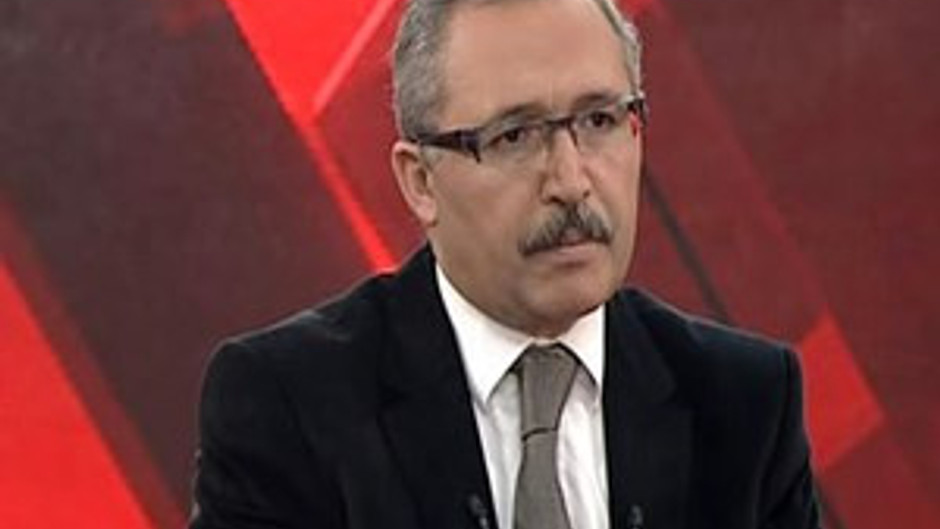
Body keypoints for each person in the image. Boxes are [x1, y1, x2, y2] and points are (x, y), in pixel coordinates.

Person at [189, 0, 821, 527]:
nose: (571, 182)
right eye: (514, 136)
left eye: (600, 120)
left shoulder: (745, 403)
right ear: (421, 182)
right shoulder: (289, 405)